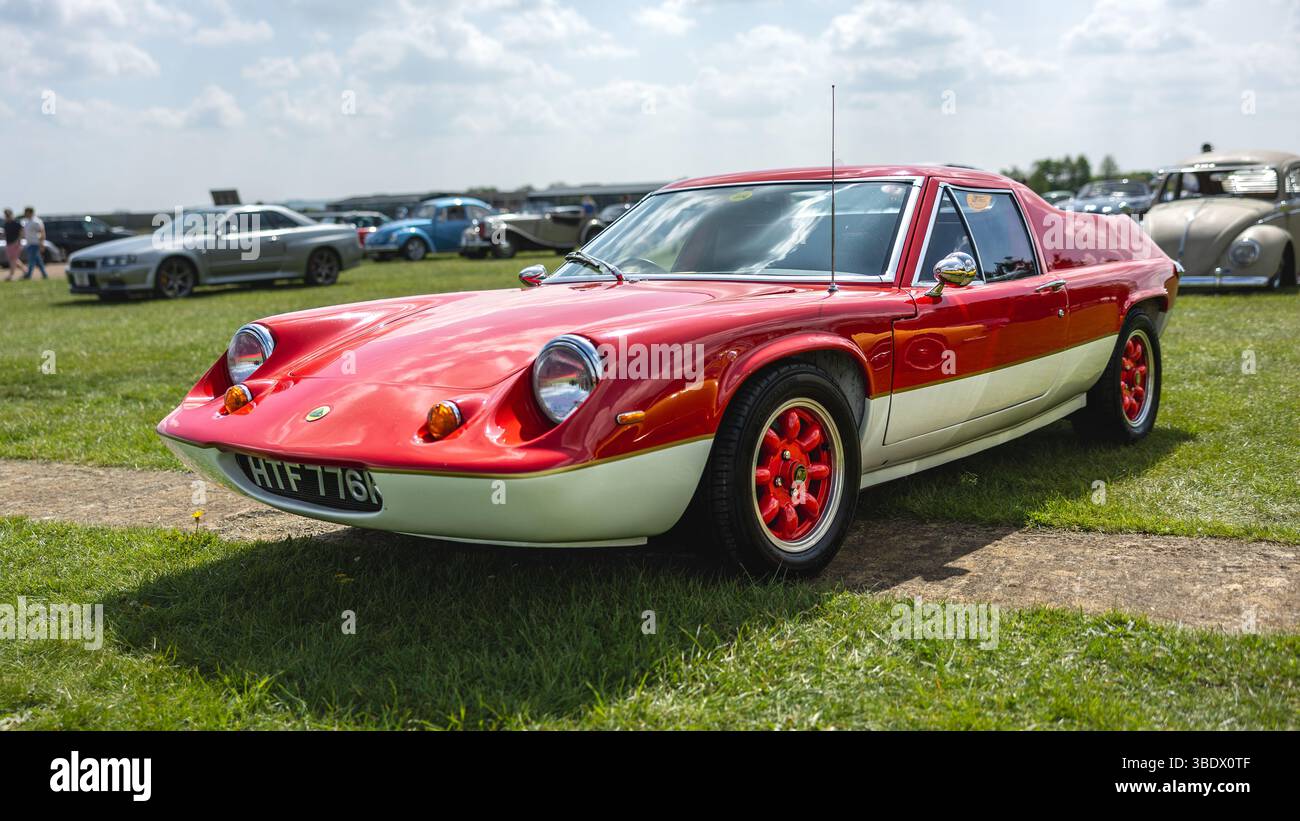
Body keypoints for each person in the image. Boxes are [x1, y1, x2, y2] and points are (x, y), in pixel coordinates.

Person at [21, 206, 47, 280]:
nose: (25, 214)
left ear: (30, 212)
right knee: (38, 261)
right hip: (29, 243)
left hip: (35, 243)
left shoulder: (36, 221)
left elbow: (42, 232)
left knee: (31, 260)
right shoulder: (26, 221)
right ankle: (45, 274)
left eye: (26, 212)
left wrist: (42, 243)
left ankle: (28, 275)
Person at [3, 209, 21, 280]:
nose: (6, 217)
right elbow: (5, 234)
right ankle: (25, 270)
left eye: (7, 215)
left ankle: (11, 275)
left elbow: (21, 232)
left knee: (12, 260)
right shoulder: (6, 224)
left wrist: (17, 241)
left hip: (15, 243)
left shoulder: (16, 223)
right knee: (14, 260)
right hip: (8, 244)